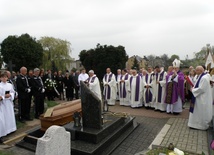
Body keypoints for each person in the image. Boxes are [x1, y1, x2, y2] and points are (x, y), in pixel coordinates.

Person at [188, 66, 213, 130]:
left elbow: (201, 89)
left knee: (200, 111)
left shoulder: (204, 78)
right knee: (197, 111)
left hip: (201, 98)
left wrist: (193, 90)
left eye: (197, 70)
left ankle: (200, 125)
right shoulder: (201, 76)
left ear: (201, 71)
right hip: (199, 97)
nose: (195, 72)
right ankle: (194, 124)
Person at [0, 71, 17, 139]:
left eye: (5, 77)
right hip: (3, 103)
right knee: (4, 117)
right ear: (0, 78)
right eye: (3, 77)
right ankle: (5, 130)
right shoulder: (0, 86)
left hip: (9, 102)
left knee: (10, 115)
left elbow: (13, 92)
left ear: (7, 78)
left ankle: (11, 129)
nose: (4, 78)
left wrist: (10, 95)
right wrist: (4, 96)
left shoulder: (10, 85)